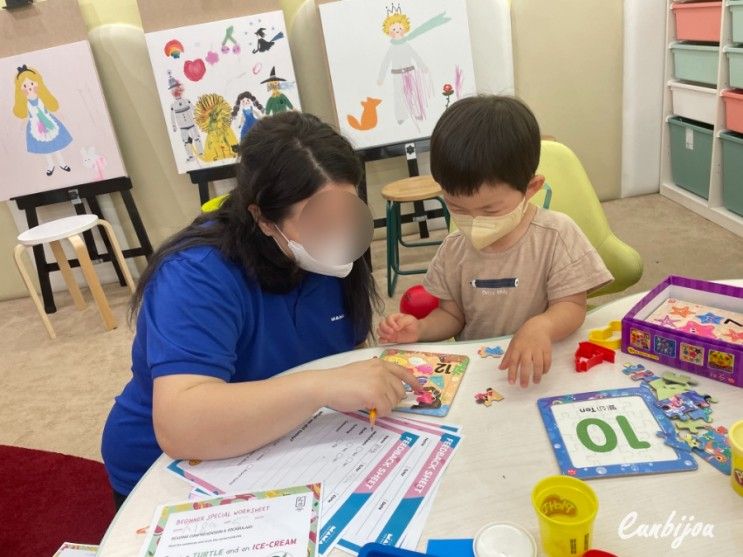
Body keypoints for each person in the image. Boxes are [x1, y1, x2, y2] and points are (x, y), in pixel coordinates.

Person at [102, 111, 419, 507]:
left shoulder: (331, 263)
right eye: (320, 221)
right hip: (168, 466)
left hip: (282, 444)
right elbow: (181, 425)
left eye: (346, 212)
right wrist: (322, 387)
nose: (339, 233)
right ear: (263, 219)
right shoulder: (197, 273)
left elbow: (340, 351)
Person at [378, 95, 613, 388]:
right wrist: (421, 329)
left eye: (490, 210)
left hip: (540, 367)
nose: (474, 221)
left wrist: (542, 325)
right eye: (457, 208)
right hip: (480, 374)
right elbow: (452, 315)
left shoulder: (556, 235)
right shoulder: (454, 249)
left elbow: (573, 306)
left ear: (531, 188)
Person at [12, 64, 73, 176]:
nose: (29, 87)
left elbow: (50, 107)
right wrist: (21, 126)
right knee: (44, 148)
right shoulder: (25, 103)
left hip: (49, 122)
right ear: (20, 89)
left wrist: (60, 115)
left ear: (37, 82)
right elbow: (25, 116)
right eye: (24, 85)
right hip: (35, 126)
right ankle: (50, 165)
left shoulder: (42, 98)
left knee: (55, 144)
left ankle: (62, 163)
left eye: (31, 83)